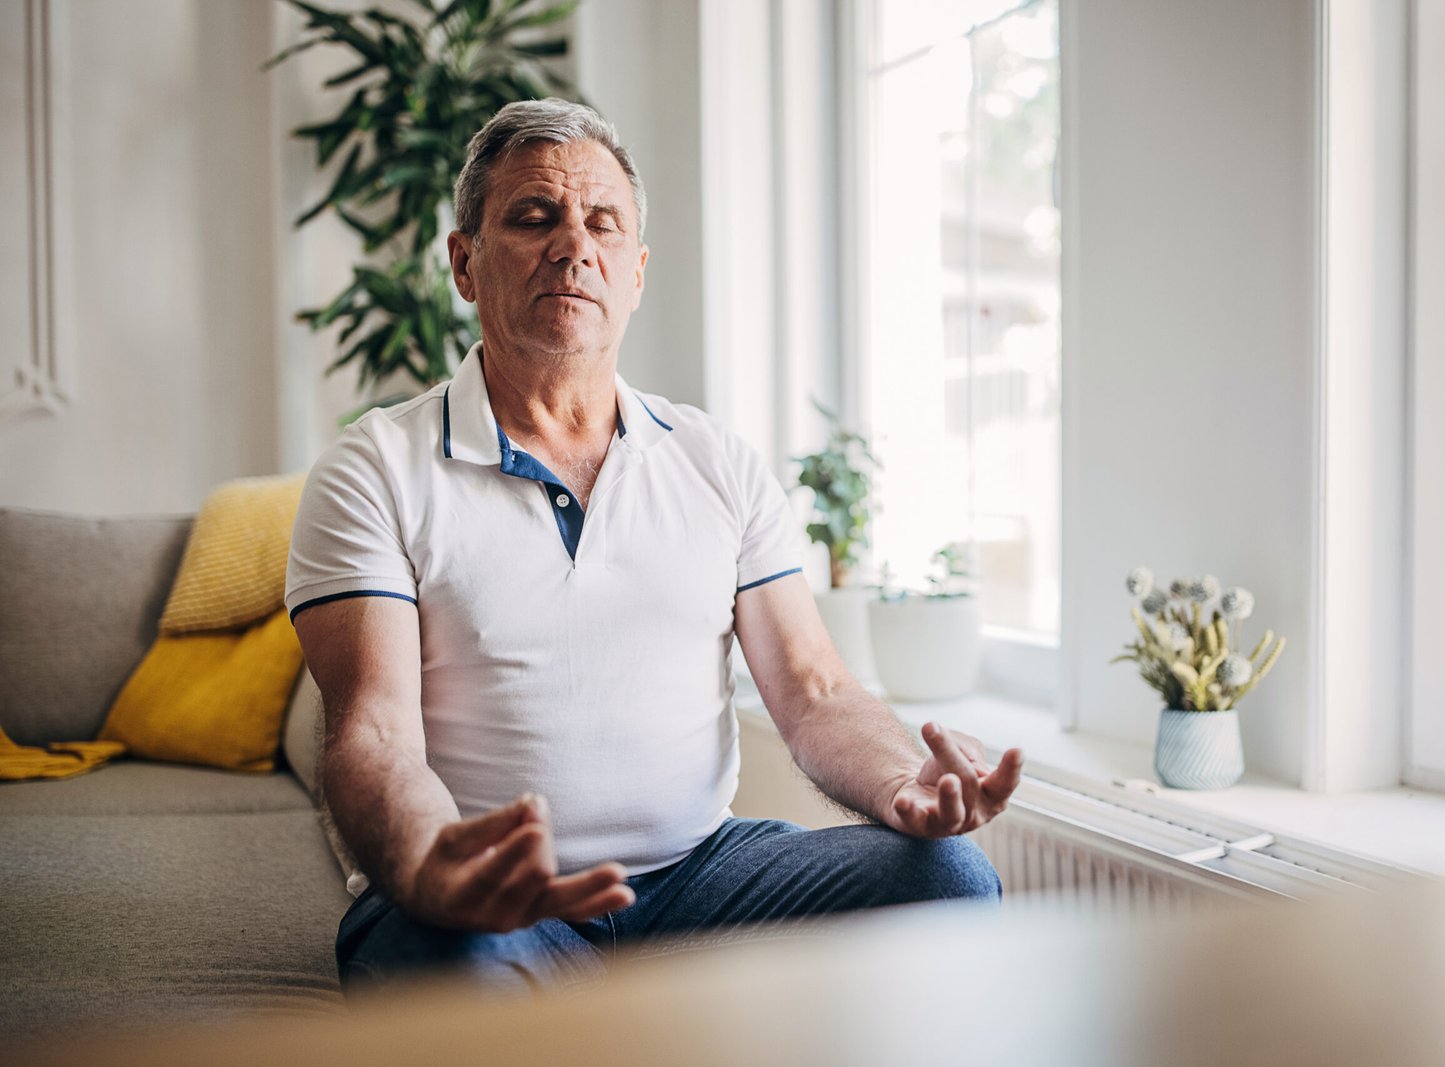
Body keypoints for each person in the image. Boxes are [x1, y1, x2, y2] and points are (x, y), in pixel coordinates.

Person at [286, 98, 1025, 997]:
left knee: (949, 880)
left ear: (635, 273)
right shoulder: (373, 468)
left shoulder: (717, 461)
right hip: (485, 885)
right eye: (534, 217)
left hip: (699, 873)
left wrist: (904, 780)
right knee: (456, 960)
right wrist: (427, 859)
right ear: (464, 263)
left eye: (603, 223)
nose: (573, 246)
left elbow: (816, 690)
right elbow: (371, 731)